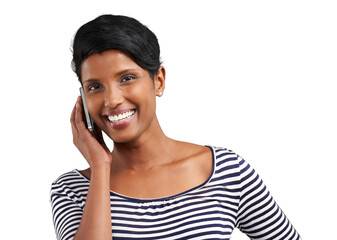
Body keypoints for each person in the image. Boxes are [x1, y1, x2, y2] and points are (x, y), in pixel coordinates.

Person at [50, 14, 301, 240]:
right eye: (95, 86)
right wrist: (101, 167)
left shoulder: (226, 169)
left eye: (127, 78)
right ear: (83, 99)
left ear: (158, 81)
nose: (112, 100)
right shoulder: (71, 189)